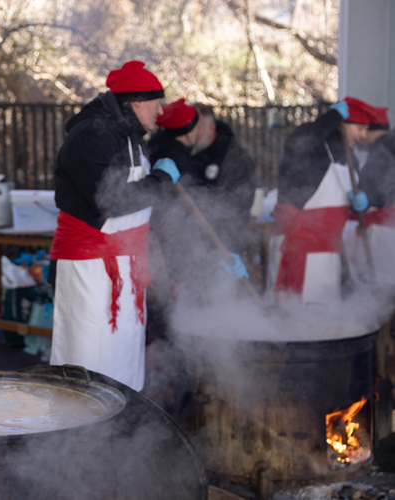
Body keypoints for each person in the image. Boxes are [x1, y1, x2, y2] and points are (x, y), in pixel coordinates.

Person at [50, 60, 179, 391]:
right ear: (136, 103)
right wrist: (161, 179)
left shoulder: (128, 134)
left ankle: (121, 429)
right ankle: (80, 432)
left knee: (123, 353)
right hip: (91, 268)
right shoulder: (91, 135)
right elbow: (111, 201)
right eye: (155, 103)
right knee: (90, 355)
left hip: (125, 268)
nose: (160, 111)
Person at [268, 97, 374, 305]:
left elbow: (352, 192)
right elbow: (296, 143)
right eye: (360, 128)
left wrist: (360, 201)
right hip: (297, 247)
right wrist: (331, 118)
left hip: (327, 253)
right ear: (342, 122)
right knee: (293, 315)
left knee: (322, 317)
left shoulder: (348, 153)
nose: (363, 136)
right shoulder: (313, 144)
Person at [146, 99, 251, 300]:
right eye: (197, 127)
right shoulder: (180, 162)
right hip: (179, 254)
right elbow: (194, 214)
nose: (201, 132)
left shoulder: (161, 151)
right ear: (187, 132)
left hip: (169, 250)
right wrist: (218, 252)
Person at [346, 106, 395, 285]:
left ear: (371, 131)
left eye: (363, 130)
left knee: (383, 284)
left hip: (383, 231)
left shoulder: (384, 150)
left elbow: (377, 189)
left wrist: (363, 200)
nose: (360, 137)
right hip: (385, 229)